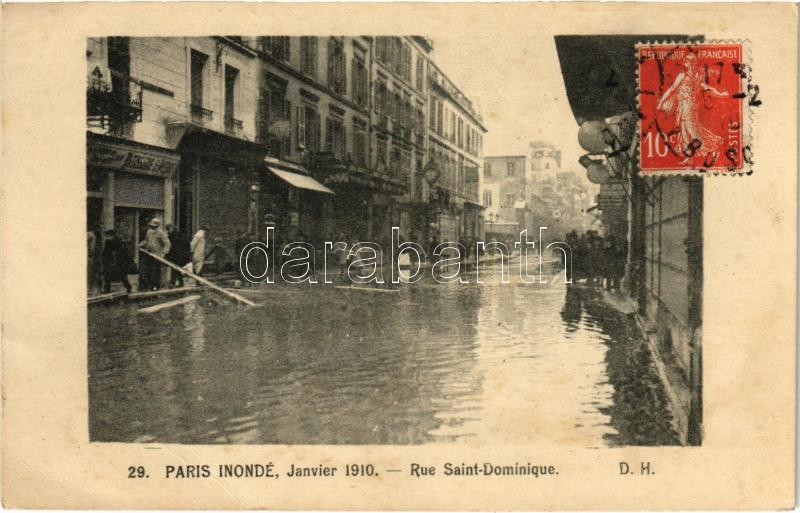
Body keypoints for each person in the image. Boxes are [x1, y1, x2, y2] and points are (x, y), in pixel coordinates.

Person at [138, 218, 171, 291]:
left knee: (156, 271)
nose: (152, 227)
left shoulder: (161, 233)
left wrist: (164, 253)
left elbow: (167, 243)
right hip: (149, 253)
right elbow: (146, 240)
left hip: (157, 255)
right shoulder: (148, 232)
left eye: (154, 226)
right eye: (152, 226)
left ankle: (155, 286)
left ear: (157, 226)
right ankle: (148, 285)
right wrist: (142, 244)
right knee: (148, 270)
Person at [101, 229, 134, 293]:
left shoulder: (120, 242)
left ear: (112, 235)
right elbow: (105, 252)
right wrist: (104, 259)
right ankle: (107, 289)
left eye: (108, 236)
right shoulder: (107, 242)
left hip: (119, 262)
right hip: (110, 261)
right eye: (107, 236)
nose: (107, 237)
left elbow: (125, 252)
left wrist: (127, 261)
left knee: (122, 276)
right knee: (107, 275)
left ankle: (128, 287)